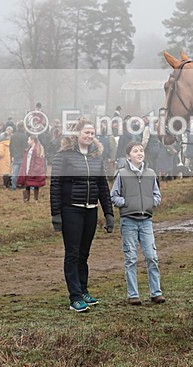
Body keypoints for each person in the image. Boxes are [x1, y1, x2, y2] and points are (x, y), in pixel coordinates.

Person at [50, 117, 114, 313]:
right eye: (86, 132)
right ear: (76, 133)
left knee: (84, 254)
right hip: (71, 210)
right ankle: (75, 297)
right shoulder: (63, 156)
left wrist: (109, 212)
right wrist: (56, 215)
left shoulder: (96, 156)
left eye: (92, 133)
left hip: (91, 210)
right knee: (72, 253)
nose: (89, 136)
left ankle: (83, 290)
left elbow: (102, 185)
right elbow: (55, 186)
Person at [110, 142, 165, 305]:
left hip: (146, 221)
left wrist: (150, 203)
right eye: (135, 151)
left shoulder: (150, 173)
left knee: (152, 257)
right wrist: (126, 203)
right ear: (128, 156)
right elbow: (113, 196)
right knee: (131, 258)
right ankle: (133, 294)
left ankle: (156, 292)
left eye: (141, 150)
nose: (139, 153)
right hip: (129, 221)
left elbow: (157, 195)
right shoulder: (121, 174)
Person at [16, 134, 46, 202]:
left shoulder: (38, 149)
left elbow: (39, 161)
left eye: (28, 140)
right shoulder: (28, 149)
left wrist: (36, 170)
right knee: (27, 184)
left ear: (32, 140)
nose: (27, 141)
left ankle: (36, 199)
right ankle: (27, 198)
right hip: (27, 170)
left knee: (36, 184)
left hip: (34, 171)